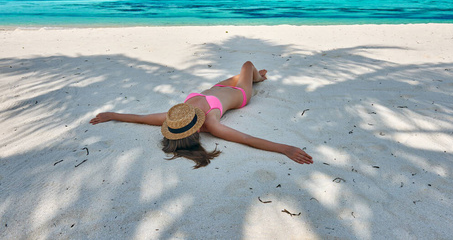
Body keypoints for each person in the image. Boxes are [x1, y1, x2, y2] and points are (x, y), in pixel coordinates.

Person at [90, 61, 313, 168]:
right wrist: (285, 148)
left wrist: (112, 115)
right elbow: (247, 139)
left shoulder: (176, 119)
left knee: (240, 74)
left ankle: (257, 77)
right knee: (247, 65)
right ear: (197, 128)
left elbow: (140, 118)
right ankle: (257, 79)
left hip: (216, 87)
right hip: (239, 94)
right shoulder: (213, 124)